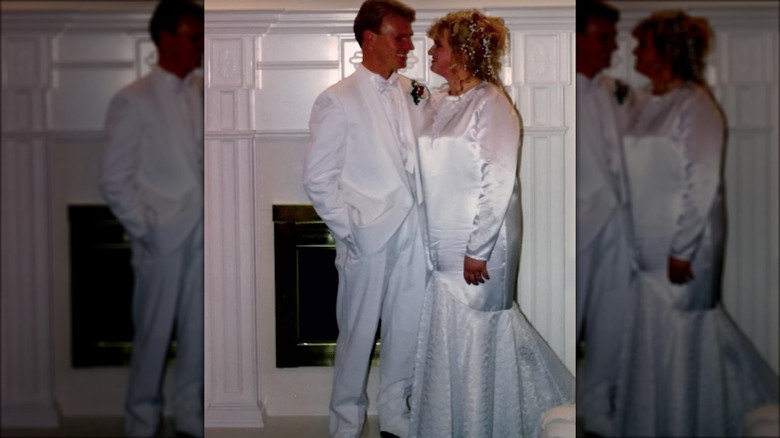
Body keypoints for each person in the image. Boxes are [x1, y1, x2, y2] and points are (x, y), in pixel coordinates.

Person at [407, 10, 574, 438]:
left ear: (460, 53)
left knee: (480, 337)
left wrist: (477, 248)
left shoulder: (493, 103)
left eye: (439, 45)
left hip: (481, 245)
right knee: (452, 337)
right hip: (440, 240)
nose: (431, 51)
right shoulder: (438, 100)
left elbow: (498, 179)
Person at [614, 9, 779, 436]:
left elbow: (702, 181)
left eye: (643, 45)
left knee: (685, 336)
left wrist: (682, 248)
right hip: (643, 242)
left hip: (685, 248)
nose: (634, 51)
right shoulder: (642, 100)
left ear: (666, 52)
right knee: (653, 337)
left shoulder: (696, 104)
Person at [302, 0, 428, 436]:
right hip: (368, 235)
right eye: (401, 37)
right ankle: (344, 426)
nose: (409, 46)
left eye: (409, 37)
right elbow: (319, 180)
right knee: (356, 339)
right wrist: (351, 230)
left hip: (415, 232)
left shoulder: (417, 91)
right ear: (370, 39)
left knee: (407, 331)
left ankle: (397, 419)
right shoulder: (335, 100)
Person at [99, 0, 204, 436]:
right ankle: (140, 424)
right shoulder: (132, 100)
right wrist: (148, 230)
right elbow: (113, 179)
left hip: (203, 235)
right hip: (162, 239)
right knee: (153, 338)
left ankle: (191, 418)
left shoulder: (202, 92)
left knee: (198, 337)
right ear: (166, 37)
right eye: (194, 36)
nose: (201, 46)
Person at [574, 1, 636, 435]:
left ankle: (599, 408)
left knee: (613, 323)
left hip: (621, 224)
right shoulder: (558, 90)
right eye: (603, 38)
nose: (613, 47)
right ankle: (560, 408)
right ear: (577, 38)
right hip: (575, 226)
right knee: (567, 320)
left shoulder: (616, 91)